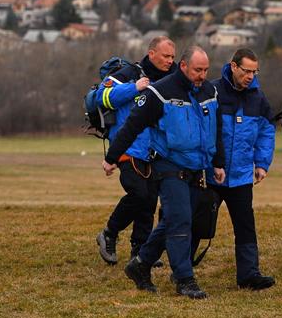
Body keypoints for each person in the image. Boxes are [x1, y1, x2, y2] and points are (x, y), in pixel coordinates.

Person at [103, 45, 225, 299]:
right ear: (183, 66)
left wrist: (218, 162)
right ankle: (184, 279)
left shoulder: (210, 92)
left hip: (197, 166)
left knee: (174, 220)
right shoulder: (160, 92)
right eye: (197, 70)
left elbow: (216, 128)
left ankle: (140, 264)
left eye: (205, 70)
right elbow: (133, 125)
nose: (202, 75)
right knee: (180, 221)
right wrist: (112, 157)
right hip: (168, 166)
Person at [95, 36, 175, 266]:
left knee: (149, 200)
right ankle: (109, 232)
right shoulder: (128, 73)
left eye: (172, 56)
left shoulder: (170, 77)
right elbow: (103, 97)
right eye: (166, 56)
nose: (170, 61)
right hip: (128, 145)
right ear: (151, 54)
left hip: (155, 148)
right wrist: (134, 88)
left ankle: (140, 252)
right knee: (139, 194)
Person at [202, 48, 276, 290]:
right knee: (199, 223)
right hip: (212, 174)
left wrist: (262, 163)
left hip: (242, 176)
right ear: (233, 67)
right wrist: (210, 163)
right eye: (246, 71)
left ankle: (249, 275)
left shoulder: (258, 98)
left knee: (245, 226)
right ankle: (182, 270)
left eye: (254, 72)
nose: (250, 77)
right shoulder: (211, 92)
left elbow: (267, 131)